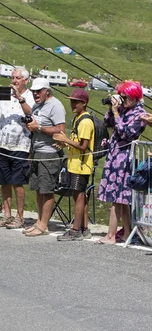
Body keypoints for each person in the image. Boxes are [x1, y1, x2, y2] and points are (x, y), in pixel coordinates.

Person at [0, 68, 34, 229]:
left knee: (17, 182)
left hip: (20, 144)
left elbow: (32, 114)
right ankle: (7, 215)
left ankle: (20, 216)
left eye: (18, 78)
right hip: (0, 143)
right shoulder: (4, 95)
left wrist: (20, 98)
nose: (14, 81)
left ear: (25, 80)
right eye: (12, 78)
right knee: (4, 181)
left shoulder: (30, 96)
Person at [95, 81, 146, 244]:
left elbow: (126, 133)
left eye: (125, 97)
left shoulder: (140, 114)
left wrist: (117, 113)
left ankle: (110, 235)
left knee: (117, 197)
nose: (122, 100)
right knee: (122, 199)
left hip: (124, 158)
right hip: (115, 155)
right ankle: (126, 232)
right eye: (121, 96)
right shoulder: (123, 109)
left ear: (134, 97)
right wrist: (112, 108)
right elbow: (107, 122)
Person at [22, 78, 66, 236]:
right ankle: (39, 221)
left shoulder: (56, 105)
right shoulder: (36, 106)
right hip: (37, 151)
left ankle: (44, 225)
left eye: (38, 91)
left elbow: (60, 130)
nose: (35, 94)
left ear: (47, 91)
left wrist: (38, 127)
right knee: (38, 189)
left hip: (49, 153)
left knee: (46, 190)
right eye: (33, 91)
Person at [53, 89, 94, 241]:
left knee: (78, 196)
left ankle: (76, 229)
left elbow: (83, 146)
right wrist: (65, 144)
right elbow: (76, 142)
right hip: (75, 163)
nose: (72, 104)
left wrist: (65, 140)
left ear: (84, 103)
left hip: (81, 165)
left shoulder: (85, 121)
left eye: (76, 102)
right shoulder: (78, 118)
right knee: (79, 195)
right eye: (71, 101)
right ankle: (83, 228)